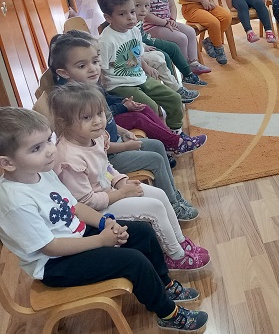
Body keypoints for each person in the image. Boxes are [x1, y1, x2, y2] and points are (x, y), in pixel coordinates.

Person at [0, 107, 208, 331]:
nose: (51, 151)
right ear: (8, 163)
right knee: (133, 261)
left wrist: (105, 223)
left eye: (48, 140)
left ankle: (164, 284)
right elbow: (50, 247)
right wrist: (100, 240)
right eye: (36, 148)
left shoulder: (43, 172)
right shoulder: (14, 203)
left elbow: (76, 206)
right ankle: (168, 314)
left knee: (143, 233)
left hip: (76, 237)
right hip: (55, 265)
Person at [50, 83, 210, 271]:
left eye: (100, 113)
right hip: (97, 211)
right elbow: (86, 202)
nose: (97, 121)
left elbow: (106, 166)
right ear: (64, 123)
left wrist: (120, 180)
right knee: (154, 207)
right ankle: (174, 255)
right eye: (86, 117)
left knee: (159, 195)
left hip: (111, 191)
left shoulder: (95, 137)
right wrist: (122, 193)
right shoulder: (70, 159)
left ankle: (180, 242)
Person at [39, 31, 206, 159]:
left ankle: (171, 141)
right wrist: (123, 106)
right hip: (104, 130)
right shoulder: (76, 93)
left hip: (108, 121)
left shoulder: (87, 80)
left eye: (95, 60)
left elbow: (104, 98)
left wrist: (123, 102)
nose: (94, 67)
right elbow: (102, 112)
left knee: (145, 109)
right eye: (83, 64)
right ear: (65, 71)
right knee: (139, 118)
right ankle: (173, 142)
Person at [96, 0, 185, 132]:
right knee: (152, 108)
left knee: (174, 98)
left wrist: (146, 67)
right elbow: (101, 70)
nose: (130, 17)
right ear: (108, 18)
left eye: (132, 11)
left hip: (140, 77)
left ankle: (175, 132)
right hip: (120, 85)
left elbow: (136, 55)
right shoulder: (106, 41)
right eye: (122, 14)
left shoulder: (135, 31)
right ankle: (163, 138)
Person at [113, 0, 208, 89]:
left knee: (173, 47)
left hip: (144, 38)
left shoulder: (137, 12)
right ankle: (175, 87)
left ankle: (187, 74)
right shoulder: (126, 18)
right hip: (142, 43)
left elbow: (138, 33)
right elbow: (128, 40)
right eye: (138, 4)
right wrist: (143, 46)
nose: (143, 9)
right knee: (165, 55)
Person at [136, 0, 211, 79]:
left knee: (190, 32)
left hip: (168, 22)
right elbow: (146, 15)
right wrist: (165, 23)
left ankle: (193, 63)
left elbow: (172, 5)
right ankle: (184, 72)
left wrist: (172, 19)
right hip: (153, 27)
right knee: (181, 38)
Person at [124, 0, 199, 104]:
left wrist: (143, 46)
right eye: (138, 6)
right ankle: (173, 90)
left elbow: (135, 40)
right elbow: (129, 46)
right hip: (139, 52)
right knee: (163, 56)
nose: (144, 10)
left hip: (143, 44)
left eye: (147, 6)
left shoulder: (136, 21)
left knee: (172, 48)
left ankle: (185, 76)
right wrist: (144, 49)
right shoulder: (128, 24)